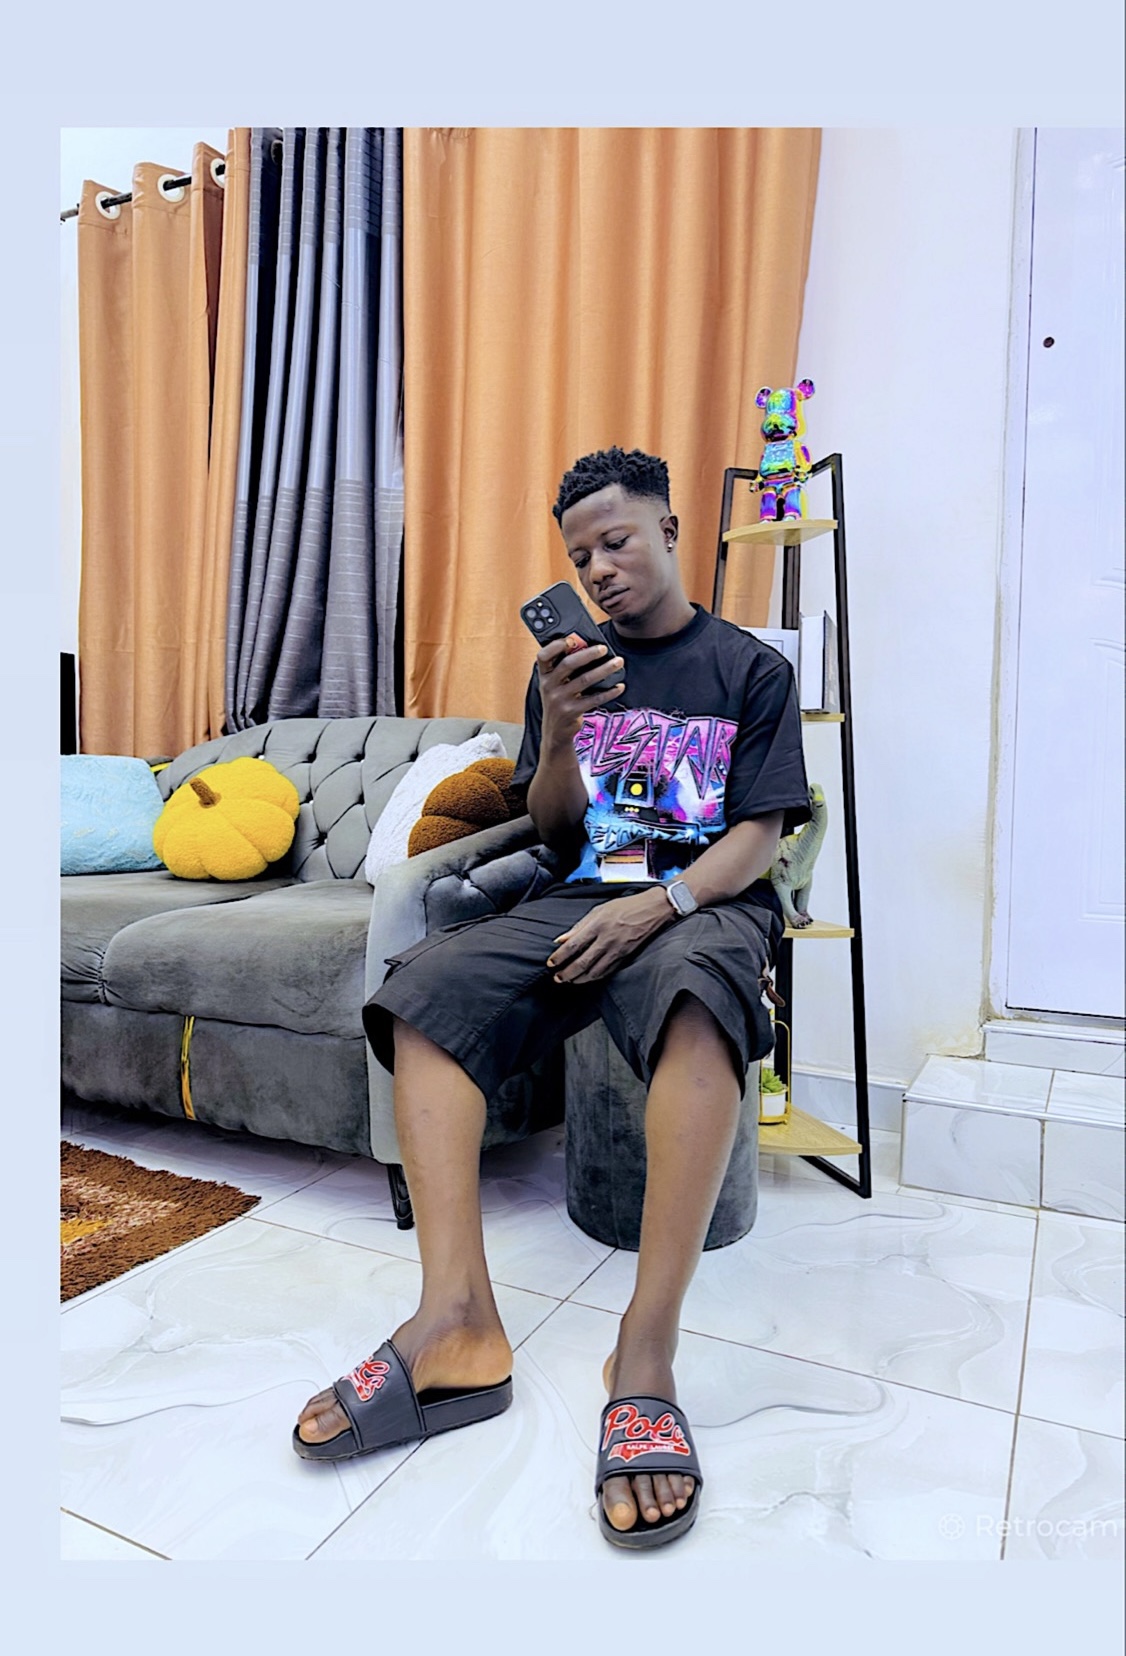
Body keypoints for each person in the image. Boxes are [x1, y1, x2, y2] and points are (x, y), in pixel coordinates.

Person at [293, 446, 811, 1549]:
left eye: (616, 542)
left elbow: (759, 835)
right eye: (580, 558)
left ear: (669, 529)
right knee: (422, 995)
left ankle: (646, 1354)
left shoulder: (750, 671)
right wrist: (565, 734)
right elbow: (556, 827)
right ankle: (457, 1322)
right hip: (581, 895)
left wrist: (660, 905)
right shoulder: (566, 673)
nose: (600, 570)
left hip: (704, 901)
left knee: (700, 1004)